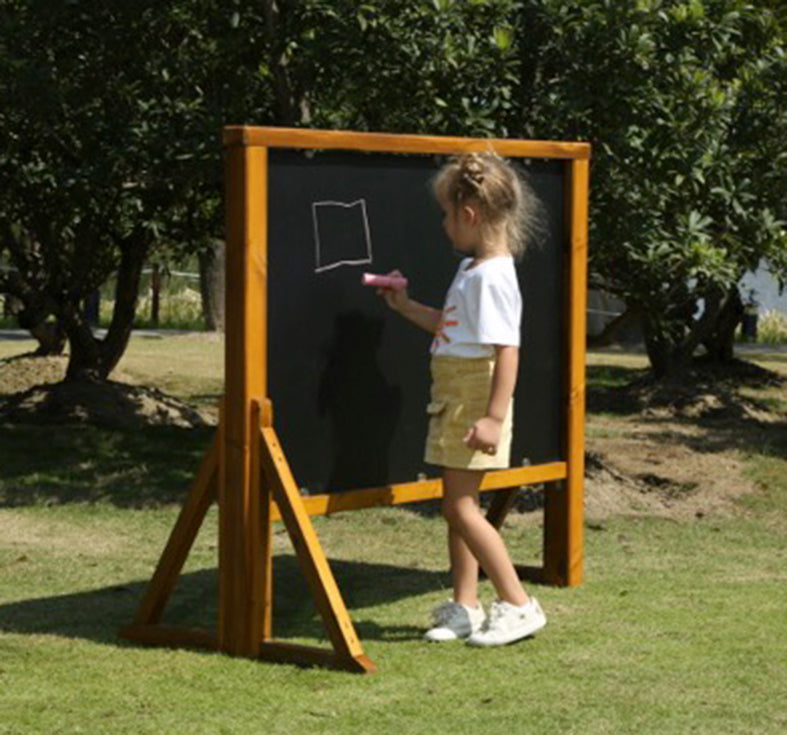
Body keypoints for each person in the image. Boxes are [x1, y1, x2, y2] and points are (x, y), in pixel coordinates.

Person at [377, 151, 546, 647]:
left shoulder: (492, 278)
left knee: (460, 508)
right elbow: (450, 328)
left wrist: (493, 416)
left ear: (469, 215)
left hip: (473, 397)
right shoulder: (472, 270)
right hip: (454, 395)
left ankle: (518, 604)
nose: (444, 225)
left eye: (448, 215)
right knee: (459, 506)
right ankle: (465, 606)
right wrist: (405, 306)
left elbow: (507, 350)